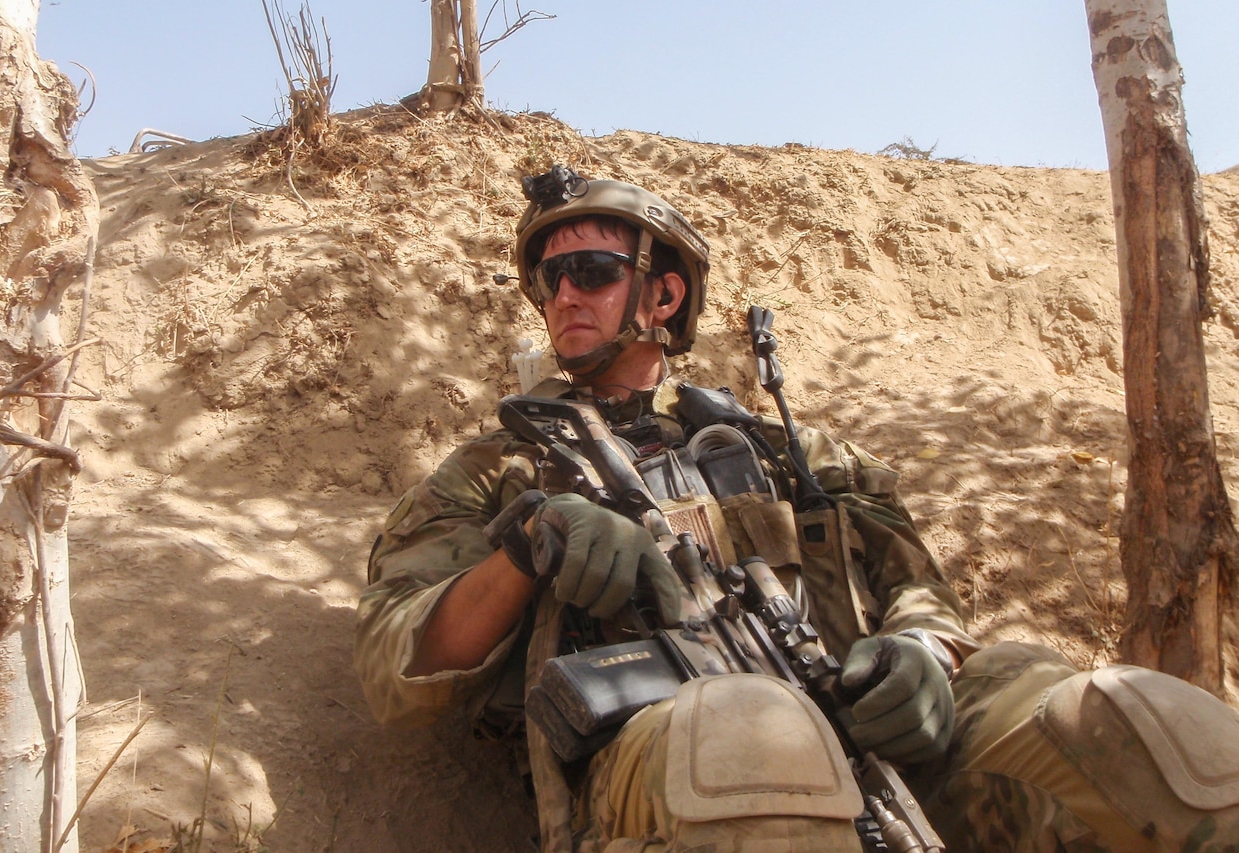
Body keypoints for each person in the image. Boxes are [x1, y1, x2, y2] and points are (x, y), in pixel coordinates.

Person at [355, 166, 1239, 852]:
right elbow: (402, 666)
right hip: (677, 762)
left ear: (663, 295)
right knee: (756, 743)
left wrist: (921, 657)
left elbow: (920, 590)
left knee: (1147, 728)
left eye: (589, 270)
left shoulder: (791, 451)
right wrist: (528, 547)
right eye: (548, 280)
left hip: (867, 734)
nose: (563, 298)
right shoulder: (500, 470)